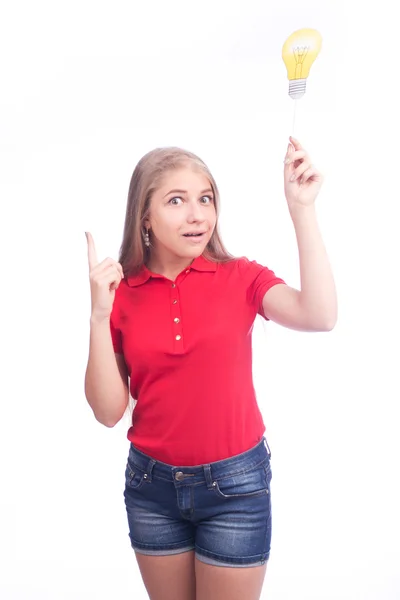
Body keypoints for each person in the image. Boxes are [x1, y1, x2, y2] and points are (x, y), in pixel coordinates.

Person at [84, 136, 337, 600]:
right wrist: (99, 317)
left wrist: (302, 209)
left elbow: (319, 316)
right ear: (144, 215)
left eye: (206, 199)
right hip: (151, 488)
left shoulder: (241, 276)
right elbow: (107, 412)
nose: (197, 214)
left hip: (236, 487)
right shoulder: (121, 293)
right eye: (176, 201)